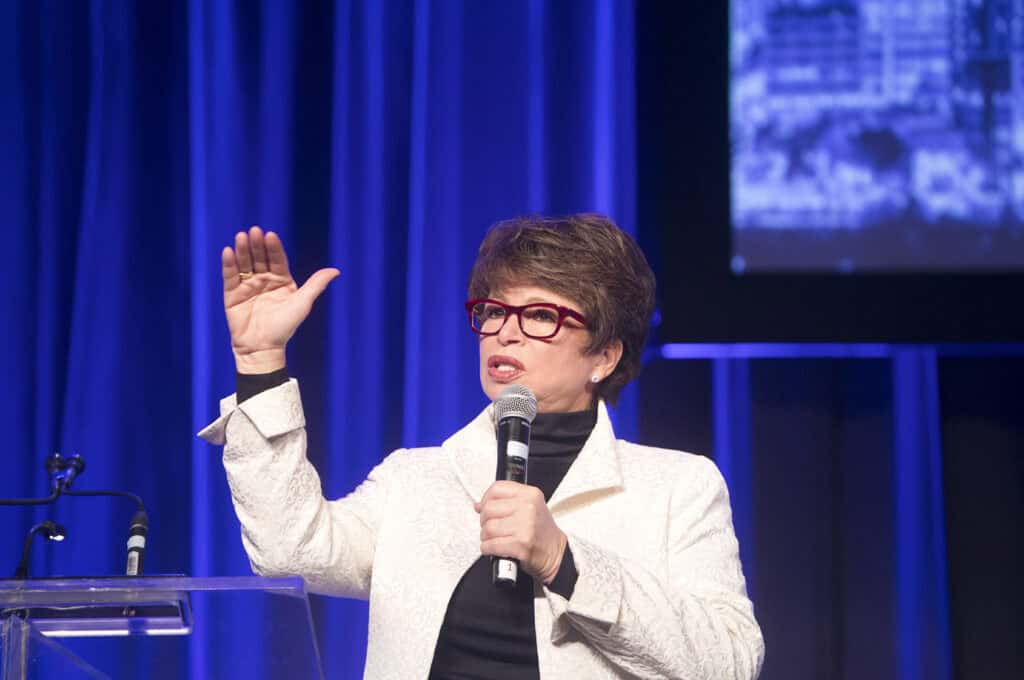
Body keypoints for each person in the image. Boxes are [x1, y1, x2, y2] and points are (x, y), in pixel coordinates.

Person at [199, 215, 764, 679]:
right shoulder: (417, 480)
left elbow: (730, 662)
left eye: (542, 316)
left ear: (605, 356)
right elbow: (288, 550)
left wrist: (562, 560)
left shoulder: (677, 488)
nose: (505, 332)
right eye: (493, 311)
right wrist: (260, 365)